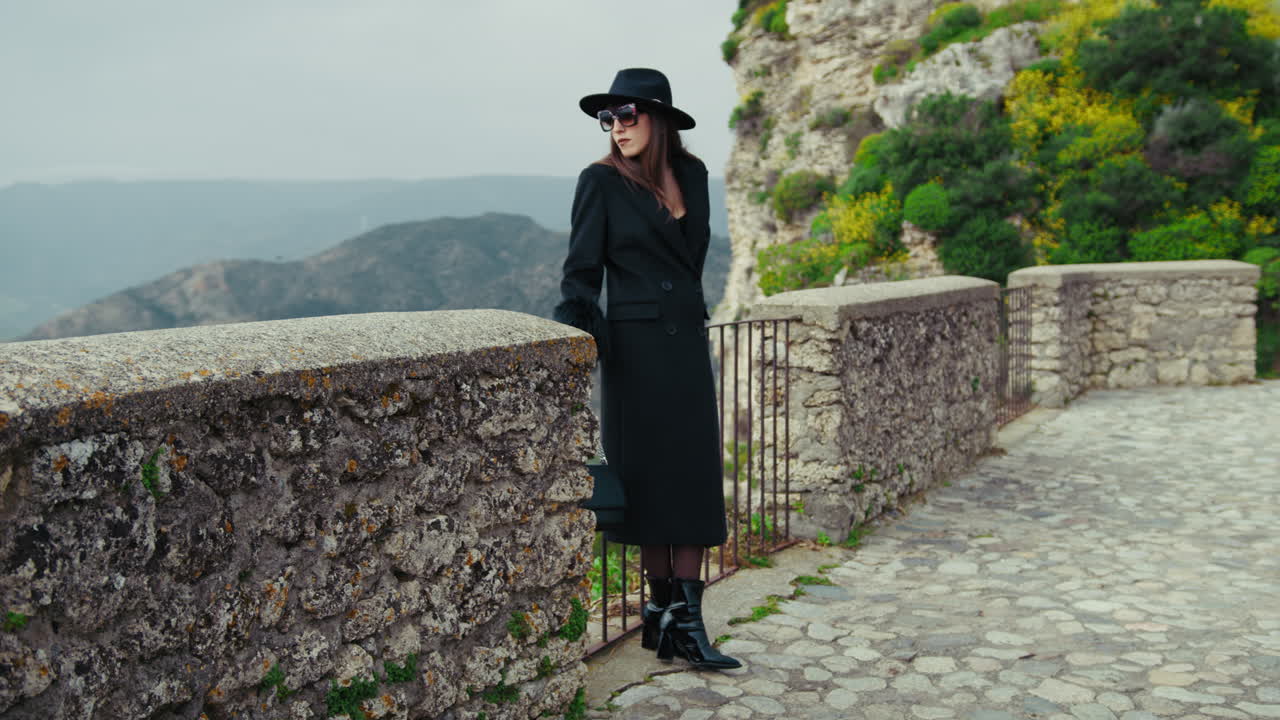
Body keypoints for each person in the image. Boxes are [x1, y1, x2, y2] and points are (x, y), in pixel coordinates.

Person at [553, 68, 740, 671]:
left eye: (627, 114)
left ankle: (670, 622)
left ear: (657, 116)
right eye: (607, 118)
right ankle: (673, 621)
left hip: (685, 343)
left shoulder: (693, 174)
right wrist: (581, 330)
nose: (616, 127)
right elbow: (581, 271)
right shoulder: (599, 182)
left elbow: (691, 263)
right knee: (655, 484)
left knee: (690, 477)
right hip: (634, 353)